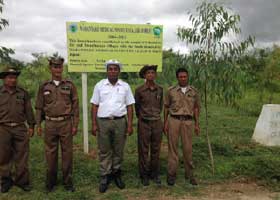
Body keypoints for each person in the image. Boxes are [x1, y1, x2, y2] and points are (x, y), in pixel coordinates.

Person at [35, 57, 79, 192]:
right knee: (50, 154)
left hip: (65, 123)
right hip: (50, 124)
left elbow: (75, 106)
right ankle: (51, 182)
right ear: (50, 68)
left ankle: (68, 182)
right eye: (55, 67)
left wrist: (75, 124)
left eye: (59, 67)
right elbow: (39, 106)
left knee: (67, 154)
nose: (57, 69)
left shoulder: (70, 85)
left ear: (62, 68)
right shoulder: (44, 86)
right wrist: (38, 125)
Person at [91, 59, 135, 193]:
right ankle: (105, 175)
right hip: (103, 122)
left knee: (118, 149)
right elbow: (94, 105)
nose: (113, 71)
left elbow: (129, 106)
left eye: (115, 69)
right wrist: (93, 124)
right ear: (107, 71)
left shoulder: (125, 86)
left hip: (120, 121)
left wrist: (130, 124)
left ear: (119, 71)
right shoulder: (99, 85)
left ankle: (116, 173)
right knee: (104, 150)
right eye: (110, 69)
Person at [0, 66, 35, 193]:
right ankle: (5, 180)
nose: (13, 80)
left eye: (14, 77)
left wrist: (31, 125)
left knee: (22, 156)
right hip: (3, 128)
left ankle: (22, 181)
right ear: (4, 79)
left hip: (20, 127)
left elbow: (28, 110)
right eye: (10, 77)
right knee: (4, 156)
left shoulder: (22, 93)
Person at [164, 68, 200, 186]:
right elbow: (166, 107)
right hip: (174, 120)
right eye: (180, 77)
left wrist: (196, 124)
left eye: (185, 76)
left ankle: (189, 174)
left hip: (188, 122)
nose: (183, 78)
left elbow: (196, 108)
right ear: (177, 78)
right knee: (173, 149)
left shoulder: (194, 91)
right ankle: (171, 174)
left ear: (188, 77)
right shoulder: (171, 91)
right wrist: (165, 123)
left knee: (188, 149)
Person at [134, 65, 163, 186]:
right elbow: (137, 107)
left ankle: (154, 174)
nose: (151, 74)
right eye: (148, 73)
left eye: (153, 72)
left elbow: (160, 106)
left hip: (156, 122)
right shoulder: (139, 90)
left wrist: (156, 116)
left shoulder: (160, 89)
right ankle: (144, 175)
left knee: (156, 149)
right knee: (143, 150)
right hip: (144, 122)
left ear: (155, 75)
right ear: (145, 76)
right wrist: (142, 118)